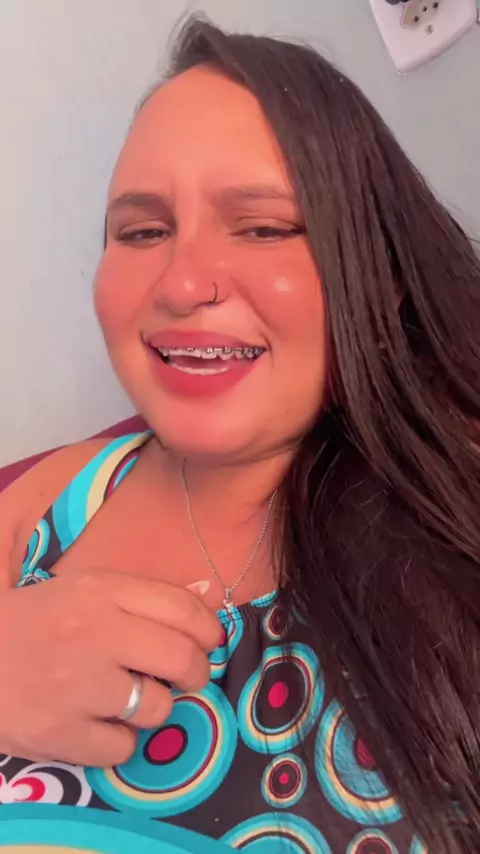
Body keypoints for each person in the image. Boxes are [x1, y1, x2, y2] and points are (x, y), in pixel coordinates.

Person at [0, 14, 479, 854]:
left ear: (381, 274)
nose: (181, 283)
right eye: (143, 231)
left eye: (263, 227)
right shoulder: (52, 500)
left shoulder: (456, 498)